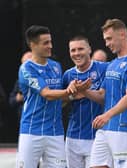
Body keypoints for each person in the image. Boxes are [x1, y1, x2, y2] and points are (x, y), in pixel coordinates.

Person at [81, 18, 127, 168]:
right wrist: (84, 91)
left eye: (109, 38)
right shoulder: (112, 64)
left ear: (123, 34)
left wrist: (107, 115)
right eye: (105, 39)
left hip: (124, 128)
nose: (107, 43)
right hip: (105, 129)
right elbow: (103, 95)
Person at [16, 25, 78, 168]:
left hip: (55, 132)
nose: (50, 46)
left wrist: (75, 94)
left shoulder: (56, 66)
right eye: (45, 43)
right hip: (32, 132)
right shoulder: (26, 68)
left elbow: (60, 98)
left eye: (50, 41)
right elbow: (47, 94)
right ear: (33, 45)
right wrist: (69, 91)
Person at [62, 35, 109, 168]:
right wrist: (70, 94)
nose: (77, 53)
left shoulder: (105, 68)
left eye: (80, 49)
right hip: (72, 138)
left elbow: (104, 98)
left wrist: (83, 91)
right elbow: (59, 104)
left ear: (89, 49)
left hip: (98, 137)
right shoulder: (68, 75)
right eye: (73, 50)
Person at [9, 51, 32, 123]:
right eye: (24, 65)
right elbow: (11, 101)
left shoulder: (44, 78)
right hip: (24, 120)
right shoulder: (19, 81)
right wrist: (17, 98)